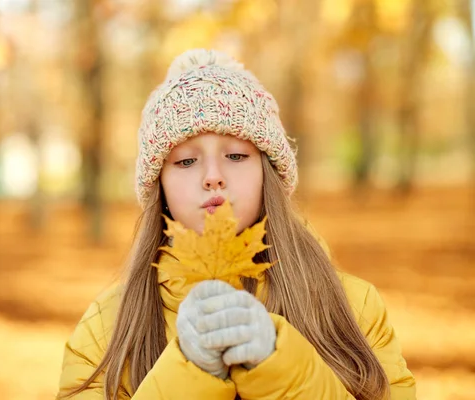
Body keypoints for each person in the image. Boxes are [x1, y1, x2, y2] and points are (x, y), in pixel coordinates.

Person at [56, 49, 416, 399]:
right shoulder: (107, 327)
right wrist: (191, 374)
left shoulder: (353, 308)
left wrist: (280, 366)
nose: (213, 176)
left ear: (267, 173)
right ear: (159, 185)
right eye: (185, 161)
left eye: (236, 155)